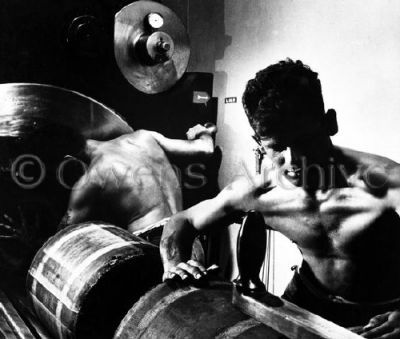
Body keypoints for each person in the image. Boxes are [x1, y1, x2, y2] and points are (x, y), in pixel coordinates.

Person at [160, 59, 400, 337]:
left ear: (329, 123)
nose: (293, 160)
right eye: (277, 147)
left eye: (304, 141)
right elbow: (181, 222)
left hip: (386, 310)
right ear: (259, 143)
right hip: (308, 303)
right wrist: (175, 263)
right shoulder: (262, 193)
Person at [61, 123, 217, 234]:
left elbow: (65, 237)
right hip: (188, 238)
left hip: (154, 249)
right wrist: (203, 132)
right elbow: (206, 149)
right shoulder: (143, 136)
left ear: (69, 159)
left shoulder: (93, 177)